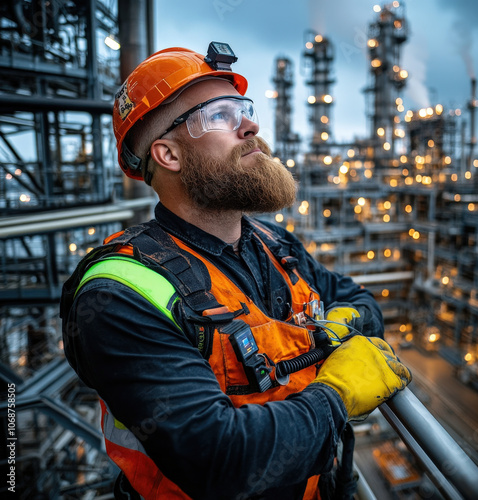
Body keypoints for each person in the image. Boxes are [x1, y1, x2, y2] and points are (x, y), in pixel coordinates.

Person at [60, 42, 411, 500]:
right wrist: (336, 398)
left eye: (243, 108)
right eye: (221, 115)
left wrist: (344, 324)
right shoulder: (119, 295)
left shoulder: (275, 245)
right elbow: (220, 459)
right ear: (168, 155)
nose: (252, 126)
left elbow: (361, 302)